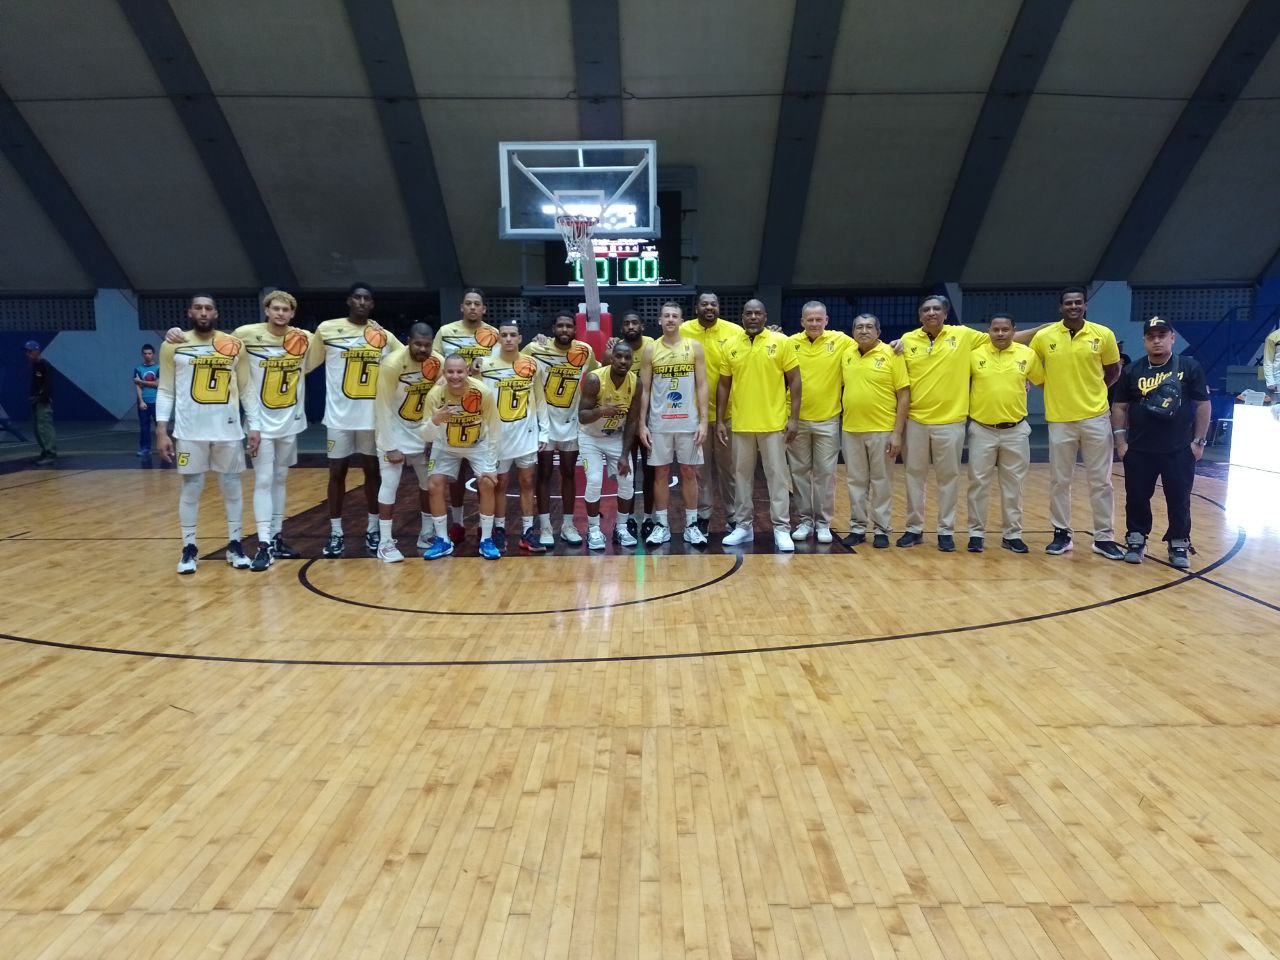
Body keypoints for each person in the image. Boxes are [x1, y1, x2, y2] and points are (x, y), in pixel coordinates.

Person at [155, 295, 251, 574]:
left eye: (208, 308)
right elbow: (166, 389)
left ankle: (235, 544)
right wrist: (161, 430)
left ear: (216, 314)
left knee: (232, 486)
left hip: (228, 430)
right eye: (198, 308)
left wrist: (253, 425)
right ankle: (189, 548)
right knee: (191, 487)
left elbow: (246, 388)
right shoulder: (173, 344)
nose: (203, 312)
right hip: (189, 431)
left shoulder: (234, 345)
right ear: (190, 312)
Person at [304, 282, 401, 558]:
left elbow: (411, 357)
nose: (361, 302)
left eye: (366, 299)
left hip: (371, 418)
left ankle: (373, 528)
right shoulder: (327, 329)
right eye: (357, 298)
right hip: (339, 418)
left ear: (372, 304)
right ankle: (336, 532)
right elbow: (306, 363)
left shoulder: (382, 335)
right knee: (337, 474)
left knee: (372, 473)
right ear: (349, 301)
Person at [1031, 286, 1124, 559]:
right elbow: (1034, 370)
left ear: (1085, 306)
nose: (1073, 306)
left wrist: (1094, 391)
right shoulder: (1044, 337)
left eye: (1078, 302)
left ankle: (1104, 537)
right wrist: (1054, 389)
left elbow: (1113, 370)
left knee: (1101, 481)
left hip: (1096, 417)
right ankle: (1062, 534)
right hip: (1060, 419)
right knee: (1060, 480)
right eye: (1068, 303)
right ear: (1060, 307)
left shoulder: (1103, 334)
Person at [1112, 316, 1211, 570]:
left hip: (1178, 449)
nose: (1157, 340)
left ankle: (1178, 542)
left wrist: (1199, 441)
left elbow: (1202, 404)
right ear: (1144, 340)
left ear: (1172, 338)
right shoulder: (1132, 370)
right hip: (1139, 449)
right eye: (1151, 336)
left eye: (1162, 335)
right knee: (1136, 497)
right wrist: (1121, 443)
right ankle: (1136, 538)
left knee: (1179, 498)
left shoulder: (1189, 366)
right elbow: (1119, 407)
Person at [234, 290, 311, 571]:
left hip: (290, 422)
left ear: (292, 314)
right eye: (276, 308)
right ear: (267, 310)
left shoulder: (303, 338)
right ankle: (264, 544)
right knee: (264, 480)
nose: (280, 313)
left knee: (280, 478)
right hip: (260, 424)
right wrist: (178, 335)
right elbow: (216, 344)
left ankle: (277, 537)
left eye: (285, 310)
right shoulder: (245, 334)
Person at [716, 299, 801, 551]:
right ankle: (743, 527)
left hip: (773, 424)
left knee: (777, 478)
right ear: (742, 317)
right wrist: (720, 420)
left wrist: (794, 418)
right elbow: (723, 385)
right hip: (741, 423)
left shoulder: (781, 342)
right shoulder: (730, 345)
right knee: (741, 478)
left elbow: (795, 381)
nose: (753, 317)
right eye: (749, 313)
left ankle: (782, 528)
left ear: (765, 317)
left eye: (757, 313)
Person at [965, 314, 1044, 554]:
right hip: (982, 429)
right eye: (996, 329)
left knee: (1013, 486)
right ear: (988, 331)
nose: (1000, 333)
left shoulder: (1027, 354)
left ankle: (1012, 535)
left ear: (1013, 330)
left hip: (1016, 431)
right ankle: (976, 534)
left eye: (1005, 329)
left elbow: (1041, 381)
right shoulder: (973, 355)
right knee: (978, 484)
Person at [637, 301, 708, 546]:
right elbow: (645, 390)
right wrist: (642, 424)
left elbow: (702, 385)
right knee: (661, 472)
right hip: (659, 423)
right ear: (660, 320)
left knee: (689, 472)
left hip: (689, 422)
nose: (670, 319)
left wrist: (704, 422)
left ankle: (691, 525)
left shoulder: (694, 347)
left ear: (681, 321)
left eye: (674, 316)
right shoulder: (651, 349)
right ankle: (662, 525)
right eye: (666, 316)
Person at [372, 323, 444, 562]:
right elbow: (381, 406)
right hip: (394, 430)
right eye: (417, 344)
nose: (422, 349)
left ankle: (426, 533)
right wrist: (389, 445)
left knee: (428, 485)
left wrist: (433, 436)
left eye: (427, 345)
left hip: (422, 431)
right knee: (390, 484)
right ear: (408, 342)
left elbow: (440, 400)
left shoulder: (438, 362)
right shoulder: (392, 364)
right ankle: (384, 542)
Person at [420, 355, 503, 560]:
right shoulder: (435, 395)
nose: (455, 376)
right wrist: (435, 421)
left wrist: (491, 464)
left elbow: (495, 428)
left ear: (467, 371)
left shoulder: (482, 392)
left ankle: (486, 539)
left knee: (487, 483)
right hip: (445, 445)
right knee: (433, 485)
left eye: (459, 371)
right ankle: (442, 540)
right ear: (444, 372)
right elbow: (425, 435)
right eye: (450, 371)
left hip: (478, 444)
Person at [478, 320, 550, 553]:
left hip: (526, 434)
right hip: (497, 436)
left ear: (520, 339)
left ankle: (527, 532)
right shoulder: (485, 365)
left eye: (513, 335)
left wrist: (544, 430)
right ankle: (499, 530)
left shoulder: (531, 364)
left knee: (527, 482)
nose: (508, 339)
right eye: (504, 335)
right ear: (498, 338)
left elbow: (540, 398)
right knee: (500, 484)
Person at [436, 288, 501, 542]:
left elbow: (505, 362)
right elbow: (434, 364)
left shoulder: (494, 334)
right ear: (461, 307)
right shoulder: (445, 332)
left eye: (477, 304)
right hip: (451, 407)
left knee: (485, 477)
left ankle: (487, 528)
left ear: (484, 309)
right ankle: (458, 523)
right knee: (456, 475)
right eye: (468, 303)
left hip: (482, 408)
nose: (473, 307)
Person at [839, 314, 909, 549]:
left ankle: (881, 529)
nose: (864, 331)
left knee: (881, 482)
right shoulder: (847, 354)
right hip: (851, 429)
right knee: (855, 482)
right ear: (853, 332)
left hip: (882, 430)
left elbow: (904, 395)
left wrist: (897, 433)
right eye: (859, 327)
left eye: (869, 327)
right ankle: (858, 528)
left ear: (878, 332)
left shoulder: (892, 353)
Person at [527, 313, 597, 546]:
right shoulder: (536, 348)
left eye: (568, 326)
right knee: (544, 473)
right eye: (560, 326)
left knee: (568, 473)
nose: (564, 329)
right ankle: (546, 526)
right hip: (544, 423)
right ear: (553, 328)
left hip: (571, 422)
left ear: (575, 329)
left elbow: (598, 374)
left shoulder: (584, 351)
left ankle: (568, 525)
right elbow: (512, 360)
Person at [680, 292, 746, 532]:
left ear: (719, 307)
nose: (709, 307)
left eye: (713, 304)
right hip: (695, 417)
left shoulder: (735, 331)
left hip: (727, 415)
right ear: (696, 308)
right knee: (700, 470)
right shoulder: (683, 330)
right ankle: (703, 514)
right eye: (704, 304)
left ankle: (734, 516)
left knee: (730, 469)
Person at [787, 301, 851, 544]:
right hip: (797, 420)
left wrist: (898, 344)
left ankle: (823, 523)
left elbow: (870, 344)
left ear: (826, 320)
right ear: (802, 321)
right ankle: (805, 521)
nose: (814, 323)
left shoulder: (841, 341)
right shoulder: (790, 343)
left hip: (828, 420)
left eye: (818, 319)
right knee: (799, 473)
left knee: (825, 474)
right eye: (809, 319)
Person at [578, 341, 642, 549]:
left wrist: (624, 455)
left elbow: (632, 420)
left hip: (615, 437)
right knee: (594, 481)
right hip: (591, 437)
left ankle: (621, 528)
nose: (623, 361)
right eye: (619, 357)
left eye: (627, 358)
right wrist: (602, 411)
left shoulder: (636, 383)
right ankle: (594, 530)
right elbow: (582, 416)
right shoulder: (595, 379)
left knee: (627, 480)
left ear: (632, 361)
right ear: (612, 358)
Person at [617, 312, 657, 533]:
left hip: (650, 419)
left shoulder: (653, 346)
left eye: (634, 323)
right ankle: (629, 518)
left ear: (642, 326)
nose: (631, 326)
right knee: (627, 472)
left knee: (650, 472)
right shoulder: (616, 349)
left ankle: (649, 517)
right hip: (625, 421)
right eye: (627, 323)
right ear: (621, 328)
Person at [25, 341, 56, 465]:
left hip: (43, 402)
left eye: (30, 351)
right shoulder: (35, 365)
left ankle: (51, 453)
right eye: (27, 352)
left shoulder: (44, 364)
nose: (27, 354)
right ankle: (45, 451)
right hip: (36, 401)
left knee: (44, 427)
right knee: (37, 429)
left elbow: (48, 385)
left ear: (37, 351)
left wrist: (42, 398)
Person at [133, 344, 159, 458]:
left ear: (153, 354)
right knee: (144, 427)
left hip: (157, 401)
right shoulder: (138, 369)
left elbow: (157, 384)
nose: (147, 355)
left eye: (149, 353)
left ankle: (163, 448)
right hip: (144, 402)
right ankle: (145, 449)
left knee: (160, 426)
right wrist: (141, 401)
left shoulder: (158, 368)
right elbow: (137, 386)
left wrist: (141, 381)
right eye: (145, 353)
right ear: (142, 354)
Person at [1263, 326, 1280, 400]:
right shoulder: (1273, 337)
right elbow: (1268, 361)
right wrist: (1270, 382)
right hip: (1278, 381)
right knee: (1277, 405)